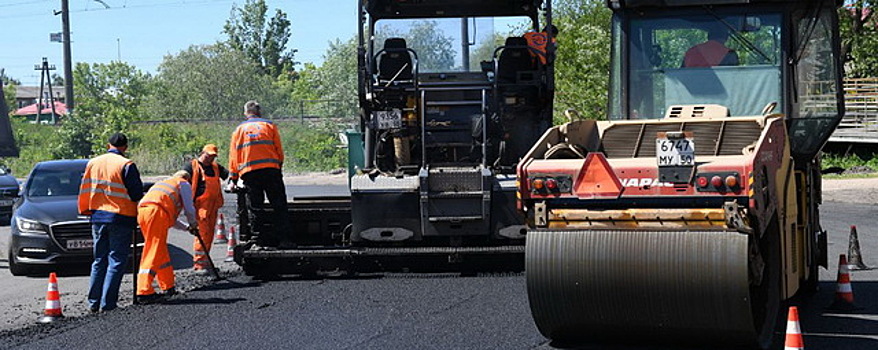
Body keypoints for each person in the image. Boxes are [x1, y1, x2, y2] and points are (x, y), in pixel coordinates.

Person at [78, 132, 144, 312]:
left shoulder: (93, 163)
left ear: (108, 145)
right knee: (116, 260)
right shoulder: (126, 165)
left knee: (99, 259)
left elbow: (85, 187)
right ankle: (108, 304)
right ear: (125, 147)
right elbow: (136, 193)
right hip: (120, 217)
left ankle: (93, 302)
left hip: (97, 217)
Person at [227, 100, 292, 249]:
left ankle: (257, 241)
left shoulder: (239, 130)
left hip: (250, 173)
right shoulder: (269, 126)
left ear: (246, 113)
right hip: (271, 170)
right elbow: (279, 150)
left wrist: (233, 178)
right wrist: (278, 167)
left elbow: (234, 155)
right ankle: (285, 240)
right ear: (259, 112)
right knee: (279, 206)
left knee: (256, 208)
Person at [135, 170, 199, 304]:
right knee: (153, 249)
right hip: (156, 213)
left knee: (160, 249)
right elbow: (189, 208)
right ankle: (144, 291)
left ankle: (168, 285)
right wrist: (193, 224)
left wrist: (187, 228)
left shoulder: (163, 184)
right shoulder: (183, 183)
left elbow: (172, 219)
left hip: (144, 212)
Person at [183, 144, 229, 273]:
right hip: (201, 207)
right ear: (202, 153)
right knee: (202, 234)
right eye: (209, 156)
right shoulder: (192, 166)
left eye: (213, 157)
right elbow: (181, 181)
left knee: (210, 235)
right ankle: (199, 264)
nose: (211, 159)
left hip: (213, 206)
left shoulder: (215, 167)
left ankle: (206, 262)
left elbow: (227, 175)